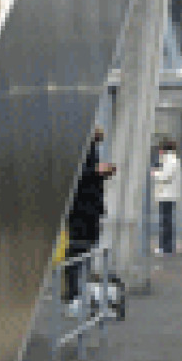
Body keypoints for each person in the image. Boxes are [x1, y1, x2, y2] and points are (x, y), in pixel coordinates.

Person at [63, 127, 116, 310]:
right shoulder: (80, 148)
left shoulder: (92, 148)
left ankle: (80, 291)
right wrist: (96, 171)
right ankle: (73, 295)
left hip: (90, 208)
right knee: (77, 249)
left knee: (87, 249)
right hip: (80, 209)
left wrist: (101, 172)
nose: (100, 133)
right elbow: (76, 175)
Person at [152, 138, 181, 254]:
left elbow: (165, 176)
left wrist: (154, 173)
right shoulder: (170, 160)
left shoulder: (171, 161)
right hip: (167, 195)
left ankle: (166, 247)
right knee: (166, 222)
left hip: (167, 195)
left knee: (166, 223)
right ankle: (166, 246)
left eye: (160, 149)